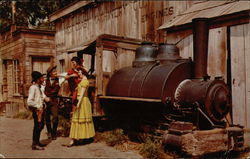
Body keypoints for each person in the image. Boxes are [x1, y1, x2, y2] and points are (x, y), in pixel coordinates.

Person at [64, 67, 95, 147]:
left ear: (83, 73)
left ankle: (80, 138)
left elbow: (82, 94)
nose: (79, 74)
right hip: (80, 101)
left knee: (80, 120)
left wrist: (78, 103)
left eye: (80, 73)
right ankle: (74, 139)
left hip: (83, 101)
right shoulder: (82, 81)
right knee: (76, 120)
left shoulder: (85, 82)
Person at [27, 71, 48, 150]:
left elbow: (41, 98)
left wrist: (43, 105)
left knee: (41, 125)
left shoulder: (38, 87)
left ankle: (37, 141)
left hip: (41, 110)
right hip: (37, 110)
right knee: (37, 126)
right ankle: (34, 144)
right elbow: (29, 101)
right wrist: (37, 106)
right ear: (37, 79)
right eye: (41, 78)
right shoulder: (33, 88)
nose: (42, 79)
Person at [44, 65, 60, 140]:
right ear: (50, 73)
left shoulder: (59, 80)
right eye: (54, 71)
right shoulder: (45, 81)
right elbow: (42, 90)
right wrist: (45, 98)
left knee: (55, 117)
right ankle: (49, 132)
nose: (56, 72)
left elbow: (66, 75)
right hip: (46, 101)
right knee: (47, 117)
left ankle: (54, 132)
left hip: (54, 101)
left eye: (56, 71)